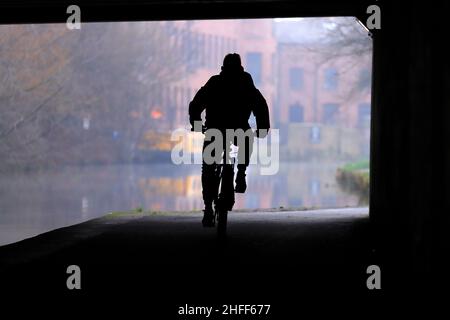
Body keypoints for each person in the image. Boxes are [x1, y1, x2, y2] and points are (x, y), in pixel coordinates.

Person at [188, 53, 270, 226]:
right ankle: (241, 172)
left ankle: (208, 208)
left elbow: (196, 104)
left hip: (214, 130)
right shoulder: (246, 83)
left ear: (223, 66)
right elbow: (261, 106)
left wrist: (196, 124)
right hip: (238, 128)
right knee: (247, 139)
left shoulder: (215, 82)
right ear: (240, 66)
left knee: (208, 168)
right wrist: (262, 129)